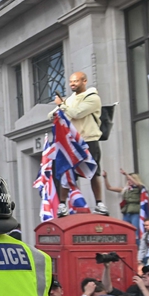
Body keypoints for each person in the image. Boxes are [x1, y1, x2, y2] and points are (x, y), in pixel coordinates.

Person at [54, 71, 106, 214]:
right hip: (71, 142)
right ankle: (62, 204)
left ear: (84, 81)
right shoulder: (69, 100)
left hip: (89, 140)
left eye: (76, 81)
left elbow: (77, 113)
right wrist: (59, 109)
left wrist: (62, 105)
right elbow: (52, 115)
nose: (72, 84)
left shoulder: (93, 98)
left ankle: (99, 203)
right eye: (71, 81)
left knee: (94, 172)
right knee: (67, 172)